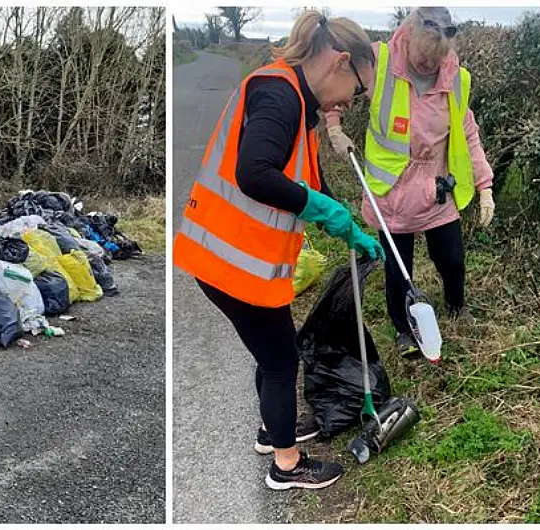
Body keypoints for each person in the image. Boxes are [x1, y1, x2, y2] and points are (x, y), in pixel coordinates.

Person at [173, 10, 384, 491]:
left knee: (274, 351)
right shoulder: (278, 93)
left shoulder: (294, 97)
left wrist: (343, 221)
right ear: (341, 62)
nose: (353, 101)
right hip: (230, 259)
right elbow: (255, 173)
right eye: (359, 88)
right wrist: (321, 208)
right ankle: (286, 465)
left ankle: (274, 432)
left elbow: (305, 178)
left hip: (238, 258)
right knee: (280, 360)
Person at [325, 7, 495, 358]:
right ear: (410, 35)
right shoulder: (379, 61)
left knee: (451, 259)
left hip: (435, 190)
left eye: (435, 59)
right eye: (421, 56)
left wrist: (485, 186)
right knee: (396, 267)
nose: (427, 65)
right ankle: (404, 330)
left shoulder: (457, 79)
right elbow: (339, 81)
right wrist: (333, 124)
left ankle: (456, 306)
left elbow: (468, 134)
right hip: (392, 190)